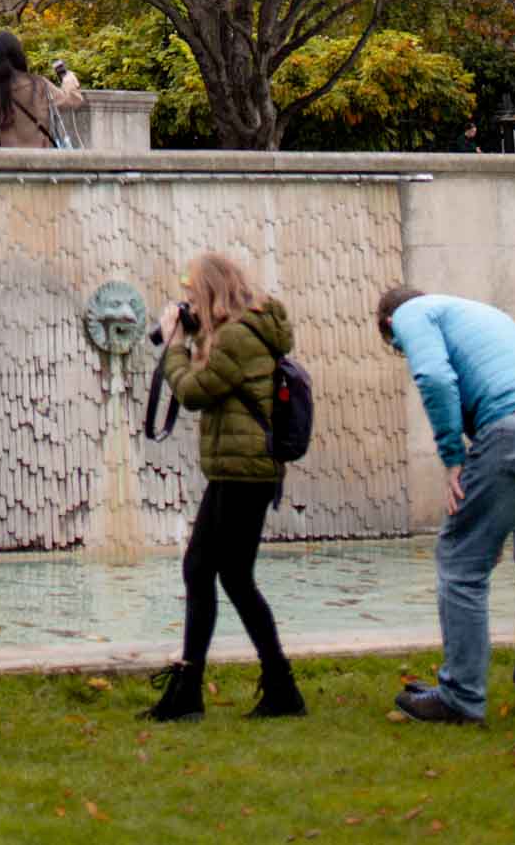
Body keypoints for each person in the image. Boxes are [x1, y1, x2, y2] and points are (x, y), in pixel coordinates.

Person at [377, 285, 515, 724]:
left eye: (396, 348)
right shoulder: (477, 311)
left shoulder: (411, 314)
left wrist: (453, 458)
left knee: (460, 563)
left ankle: (459, 697)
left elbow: (436, 378)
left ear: (387, 325)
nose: (403, 349)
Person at [143, 252, 304, 722]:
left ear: (210, 291)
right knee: (209, 571)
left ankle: (271, 688)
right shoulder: (241, 331)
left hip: (244, 471)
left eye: (194, 296)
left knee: (225, 574)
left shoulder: (237, 336)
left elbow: (193, 392)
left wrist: (174, 346)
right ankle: (202, 689)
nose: (189, 303)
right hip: (238, 470)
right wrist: (193, 337)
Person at [0, 28, 86, 148]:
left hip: (4, 164)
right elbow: (72, 100)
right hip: (40, 162)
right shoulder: (38, 85)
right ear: (17, 55)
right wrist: (68, 81)